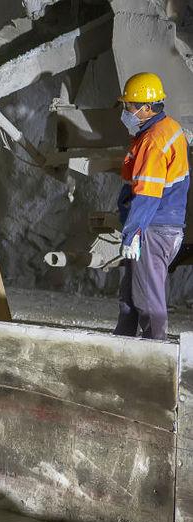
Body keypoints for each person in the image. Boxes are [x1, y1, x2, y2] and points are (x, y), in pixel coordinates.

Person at [113, 72, 189, 340]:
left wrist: (133, 233)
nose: (126, 110)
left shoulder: (154, 140)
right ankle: (122, 348)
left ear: (146, 108)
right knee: (132, 297)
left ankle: (156, 357)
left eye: (130, 106)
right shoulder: (167, 128)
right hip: (161, 225)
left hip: (153, 228)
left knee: (147, 300)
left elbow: (147, 193)